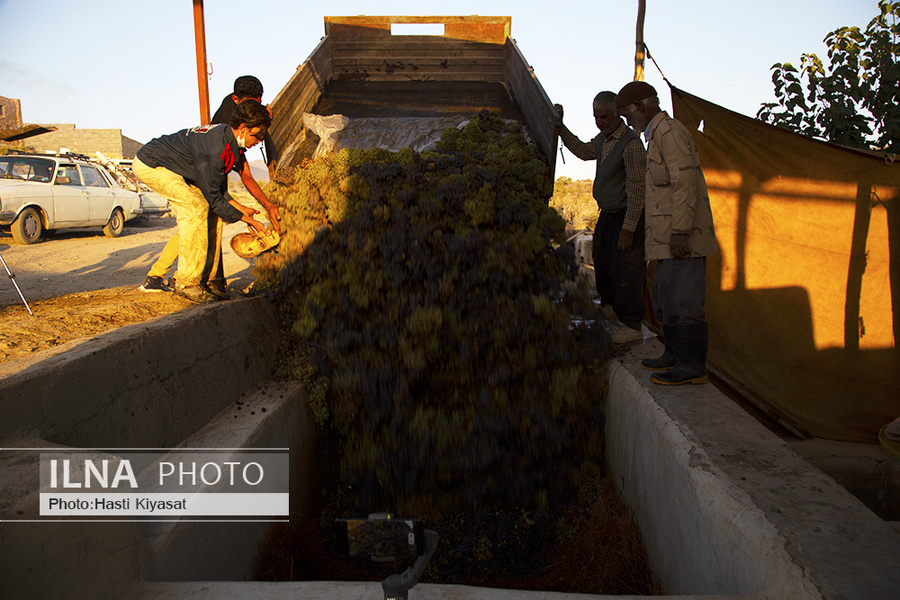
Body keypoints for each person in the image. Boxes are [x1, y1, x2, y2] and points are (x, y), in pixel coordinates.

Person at [139, 75, 281, 298]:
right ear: (243, 127)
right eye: (257, 135)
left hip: (189, 168)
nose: (260, 141)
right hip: (154, 164)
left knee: (207, 213)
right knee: (197, 209)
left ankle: (199, 279)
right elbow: (214, 196)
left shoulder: (233, 137)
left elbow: (219, 188)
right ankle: (186, 283)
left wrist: (245, 209)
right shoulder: (217, 146)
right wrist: (248, 219)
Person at [615, 81, 718, 385]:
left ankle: (692, 365)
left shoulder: (669, 133)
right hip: (665, 240)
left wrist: (682, 232)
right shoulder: (656, 136)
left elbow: (684, 182)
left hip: (680, 237)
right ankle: (674, 353)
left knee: (684, 300)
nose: (627, 121)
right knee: (665, 296)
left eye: (627, 114)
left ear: (642, 107)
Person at [555, 92, 647, 344]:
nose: (600, 122)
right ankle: (609, 307)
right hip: (607, 215)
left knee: (627, 269)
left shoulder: (631, 145)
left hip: (626, 217)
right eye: (596, 117)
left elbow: (638, 191)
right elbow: (583, 151)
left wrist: (628, 229)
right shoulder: (604, 140)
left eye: (604, 116)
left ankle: (632, 324)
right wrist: (560, 128)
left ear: (617, 113)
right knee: (604, 261)